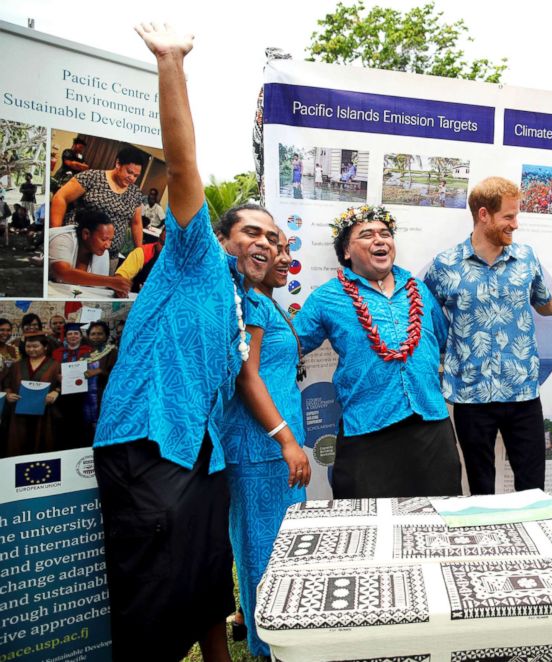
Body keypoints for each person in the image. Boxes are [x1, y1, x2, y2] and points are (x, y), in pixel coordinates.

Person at [92, 22, 280, 662]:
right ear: (222, 237)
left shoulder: (247, 304)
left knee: (205, 583)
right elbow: (182, 161)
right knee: (152, 605)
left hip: (204, 456)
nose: (264, 242)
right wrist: (171, 63)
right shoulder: (193, 258)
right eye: (251, 231)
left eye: (274, 238)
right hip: (147, 443)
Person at [425, 176, 552, 494]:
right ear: (483, 215)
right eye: (509, 216)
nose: (515, 224)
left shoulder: (526, 258)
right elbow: (430, 326)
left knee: (533, 487)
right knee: (480, 487)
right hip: (470, 397)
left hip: (523, 396)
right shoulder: (444, 266)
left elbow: (546, 305)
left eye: (517, 216)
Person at [295, 204, 461, 498]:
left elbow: (443, 338)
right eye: (367, 235)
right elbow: (290, 346)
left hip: (430, 425)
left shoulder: (418, 290)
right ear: (346, 251)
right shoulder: (326, 298)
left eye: (385, 234)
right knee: (367, 522)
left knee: (437, 516)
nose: (380, 240)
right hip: (367, 428)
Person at [221, 231, 309, 658]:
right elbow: (246, 375)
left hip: (273, 451)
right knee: (263, 554)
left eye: (289, 251)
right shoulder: (251, 303)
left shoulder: (265, 302)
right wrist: (287, 440)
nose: (284, 258)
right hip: (258, 449)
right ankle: (268, 646)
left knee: (279, 549)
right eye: (277, 250)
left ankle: (273, 632)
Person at [50, 145, 147, 256]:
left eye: (136, 176)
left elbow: (136, 223)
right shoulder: (92, 177)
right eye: (129, 172)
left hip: (110, 255)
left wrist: (139, 250)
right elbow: (60, 197)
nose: (132, 178)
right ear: (118, 164)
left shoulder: (135, 193)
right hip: (79, 249)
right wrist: (56, 233)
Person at [48, 208, 132, 297]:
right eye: (103, 239)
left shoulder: (103, 253)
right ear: (86, 234)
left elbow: (96, 289)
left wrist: (117, 288)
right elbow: (62, 272)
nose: (108, 245)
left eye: (110, 240)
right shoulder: (63, 239)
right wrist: (110, 282)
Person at [2, 332, 60, 458]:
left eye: (35, 346)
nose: (31, 349)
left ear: (45, 347)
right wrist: (8, 395)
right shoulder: (17, 365)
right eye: (28, 346)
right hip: (19, 414)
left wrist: (56, 392)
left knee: (43, 447)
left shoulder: (55, 365)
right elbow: (6, 384)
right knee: (18, 447)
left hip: (45, 413)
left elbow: (64, 384)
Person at [52, 322, 94, 449]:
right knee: (65, 423)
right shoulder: (57, 353)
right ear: (65, 337)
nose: (73, 336)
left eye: (76, 333)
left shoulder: (89, 351)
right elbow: (52, 369)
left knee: (83, 423)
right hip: (63, 394)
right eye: (70, 334)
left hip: (84, 394)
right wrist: (57, 376)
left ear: (81, 336)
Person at [82, 320, 117, 434]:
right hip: (86, 397)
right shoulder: (85, 355)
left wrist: (100, 371)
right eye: (93, 334)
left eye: (100, 334)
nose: (96, 337)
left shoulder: (113, 352)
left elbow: (118, 375)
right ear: (88, 336)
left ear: (106, 336)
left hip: (105, 396)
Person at [115, 227, 165, 293]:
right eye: (162, 243)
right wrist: (120, 287)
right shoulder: (142, 253)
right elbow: (121, 276)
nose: (164, 250)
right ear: (159, 238)